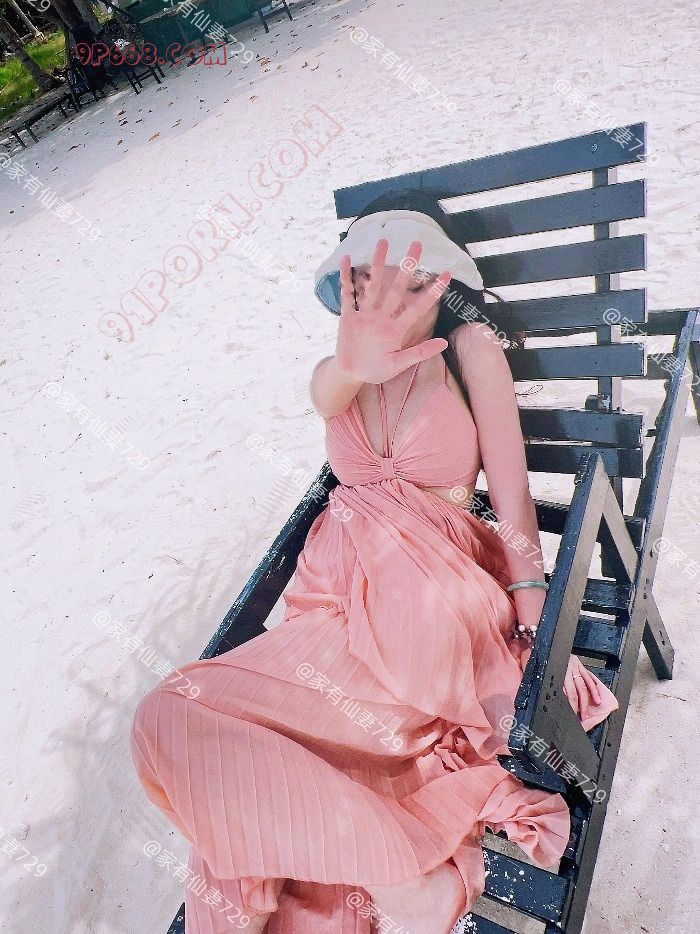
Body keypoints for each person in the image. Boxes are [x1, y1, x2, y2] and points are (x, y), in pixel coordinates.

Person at [130, 189, 619, 933]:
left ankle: (369, 860)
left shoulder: (470, 348)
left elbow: (513, 495)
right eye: (361, 276)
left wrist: (533, 619)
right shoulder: (341, 368)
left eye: (407, 276)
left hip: (432, 591)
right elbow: (326, 393)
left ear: (442, 282)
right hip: (333, 604)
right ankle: (391, 862)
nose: (380, 290)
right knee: (168, 716)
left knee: (245, 768)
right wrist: (353, 362)